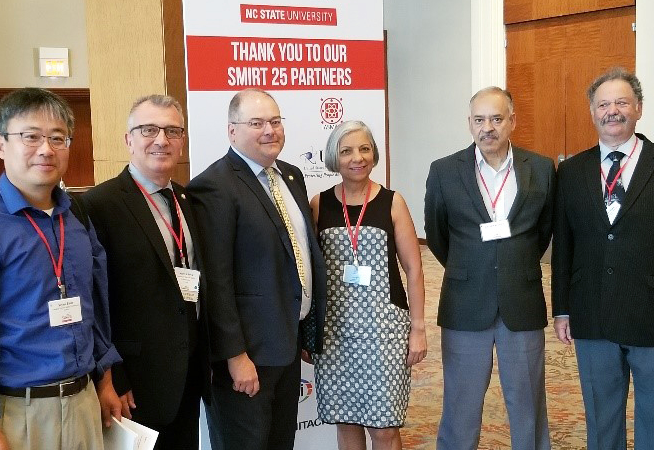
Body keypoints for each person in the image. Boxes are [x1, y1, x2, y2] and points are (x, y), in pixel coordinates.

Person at [0, 88, 122, 450]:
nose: (46, 149)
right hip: (14, 412)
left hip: (83, 402)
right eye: (31, 136)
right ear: (1, 144)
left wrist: (104, 381)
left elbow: (95, 309)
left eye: (58, 138)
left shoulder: (76, 218)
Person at [552, 68, 654, 450]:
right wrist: (562, 309)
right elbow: (564, 246)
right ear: (592, 112)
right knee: (601, 417)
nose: (612, 111)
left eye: (621, 102)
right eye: (603, 104)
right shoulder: (571, 171)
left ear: (638, 108)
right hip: (592, 313)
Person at [187, 88, 326, 450]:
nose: (270, 130)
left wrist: (306, 331)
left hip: (286, 344)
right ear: (232, 131)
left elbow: (298, 256)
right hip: (246, 356)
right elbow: (215, 282)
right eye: (257, 123)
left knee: (280, 442)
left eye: (275, 121)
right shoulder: (214, 186)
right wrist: (235, 357)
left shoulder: (292, 176)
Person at [425, 86, 554, 450]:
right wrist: (471, 267)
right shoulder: (444, 171)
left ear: (512, 121)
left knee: (528, 405)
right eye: (479, 120)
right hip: (465, 303)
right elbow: (437, 234)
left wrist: (513, 264)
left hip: (522, 300)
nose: (488, 128)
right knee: (460, 407)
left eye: (497, 119)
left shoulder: (541, 168)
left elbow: (542, 233)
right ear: (469, 124)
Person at [81, 94, 209, 449]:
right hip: (133, 380)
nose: (161, 140)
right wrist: (111, 379)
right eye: (149, 129)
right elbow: (95, 300)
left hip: (188, 372)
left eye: (172, 131)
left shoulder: (188, 201)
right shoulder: (98, 205)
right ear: (128, 139)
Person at [310, 120, 427, 450]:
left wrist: (417, 329)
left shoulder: (392, 202)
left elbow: (414, 271)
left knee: (384, 425)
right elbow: (308, 273)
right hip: (335, 333)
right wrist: (308, 331)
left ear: (373, 154)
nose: (356, 158)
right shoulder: (319, 204)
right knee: (345, 419)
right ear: (335, 157)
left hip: (384, 333)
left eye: (364, 149)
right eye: (346, 151)